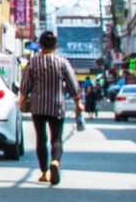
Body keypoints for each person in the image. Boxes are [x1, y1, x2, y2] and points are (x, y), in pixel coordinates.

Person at [19, 30, 86, 185]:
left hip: (38, 106)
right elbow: (72, 84)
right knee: (56, 138)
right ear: (55, 46)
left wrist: (22, 100)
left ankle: (44, 172)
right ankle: (55, 161)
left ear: (40, 45)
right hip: (57, 106)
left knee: (41, 139)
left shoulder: (33, 62)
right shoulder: (62, 62)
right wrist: (78, 102)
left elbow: (25, 85)